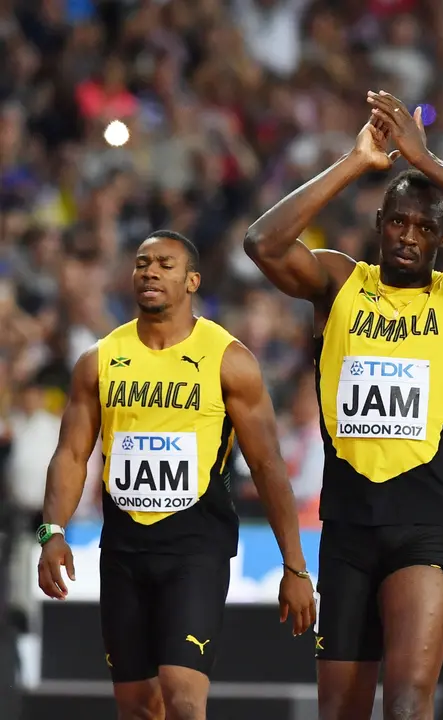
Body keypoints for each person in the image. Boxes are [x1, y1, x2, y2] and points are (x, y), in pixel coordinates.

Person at [244, 92, 443, 720]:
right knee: (340, 713)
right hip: (346, 527)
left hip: (423, 526)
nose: (409, 236)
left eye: (426, 228)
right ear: (380, 223)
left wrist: (425, 162)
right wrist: (354, 162)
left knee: (407, 704)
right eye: (399, 222)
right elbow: (263, 242)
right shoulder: (338, 282)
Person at [37, 230, 316, 720]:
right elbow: (71, 454)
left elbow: (270, 467)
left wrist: (295, 566)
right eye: (142, 263)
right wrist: (52, 531)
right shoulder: (100, 360)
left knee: (184, 696)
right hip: (124, 549)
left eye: (165, 264)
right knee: (138, 707)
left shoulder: (229, 360)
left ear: (192, 281)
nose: (150, 271)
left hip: (196, 549)